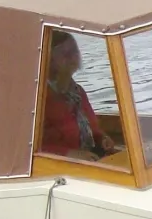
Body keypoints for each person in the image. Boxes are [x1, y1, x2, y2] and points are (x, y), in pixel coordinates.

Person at [40, 31, 117, 161]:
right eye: (65, 53)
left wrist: (102, 138)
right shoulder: (39, 96)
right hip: (59, 168)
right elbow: (29, 147)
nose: (72, 57)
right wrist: (69, 154)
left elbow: (92, 128)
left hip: (90, 159)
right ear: (49, 58)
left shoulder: (78, 91)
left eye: (74, 51)